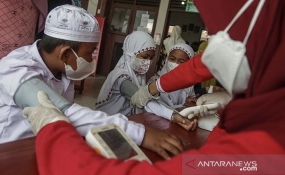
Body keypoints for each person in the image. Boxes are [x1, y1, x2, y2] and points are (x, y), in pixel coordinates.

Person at [22, 0, 285, 174]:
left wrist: (53, 128)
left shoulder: (265, 153)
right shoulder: (20, 69)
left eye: (221, 35)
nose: (212, 51)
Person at [0, 5, 184, 159]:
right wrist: (140, 134)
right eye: (89, 54)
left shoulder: (63, 69)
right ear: (65, 53)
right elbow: (60, 111)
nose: (91, 60)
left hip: (44, 147)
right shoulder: (16, 69)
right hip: (11, 153)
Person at [95, 31, 157, 116]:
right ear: (131, 53)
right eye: (145, 57)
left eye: (151, 58)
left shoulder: (139, 75)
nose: (148, 62)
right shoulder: (120, 76)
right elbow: (141, 97)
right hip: (108, 122)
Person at [144, 43, 197, 131]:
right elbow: (148, 103)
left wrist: (190, 101)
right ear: (167, 58)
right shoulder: (155, 81)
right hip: (155, 123)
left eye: (181, 61)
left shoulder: (189, 84)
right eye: (172, 59)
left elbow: (190, 100)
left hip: (179, 124)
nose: (175, 63)